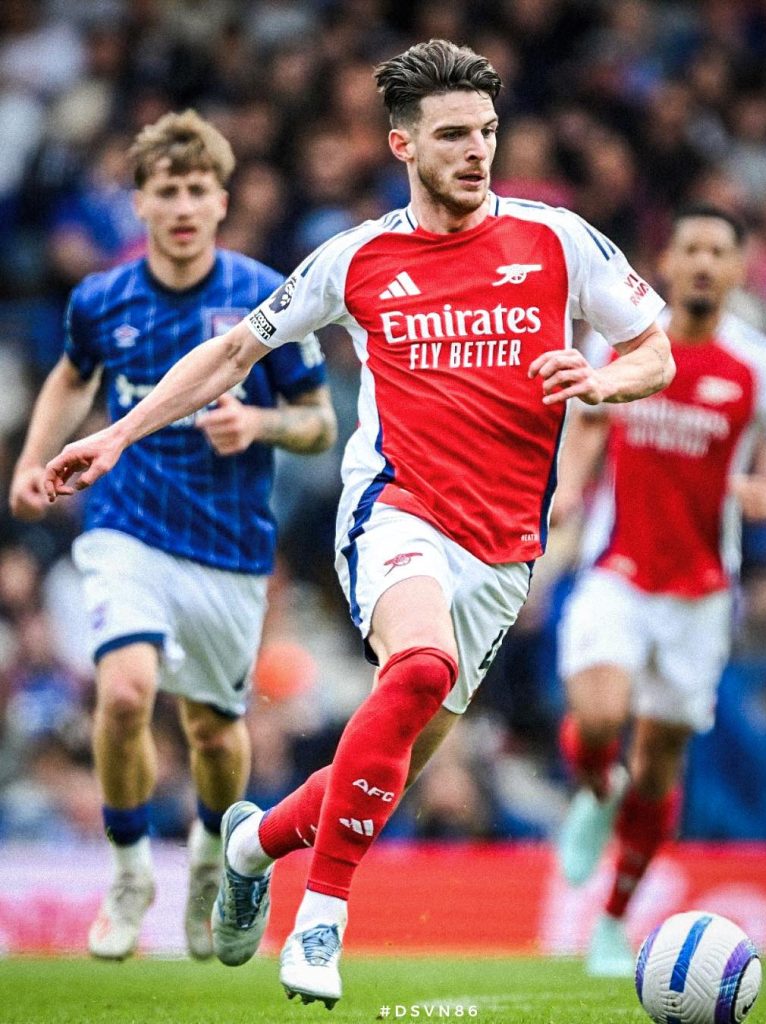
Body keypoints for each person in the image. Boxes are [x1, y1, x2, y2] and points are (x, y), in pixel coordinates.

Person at [43, 41, 675, 1006]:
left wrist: (600, 378)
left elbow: (653, 353)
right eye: (452, 135)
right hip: (396, 510)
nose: (476, 151)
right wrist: (118, 433)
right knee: (416, 670)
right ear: (401, 144)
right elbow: (233, 352)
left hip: (504, 548)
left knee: (381, 767)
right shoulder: (356, 257)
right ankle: (320, 920)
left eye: (486, 132)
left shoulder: (557, 240)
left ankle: (252, 846)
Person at [9, 109, 337, 962]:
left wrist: (258, 423)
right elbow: (70, 377)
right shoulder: (102, 298)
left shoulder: (267, 295)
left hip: (228, 545)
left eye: (198, 190)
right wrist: (34, 459)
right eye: (167, 191)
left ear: (222, 200)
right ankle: (127, 871)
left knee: (214, 732)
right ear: (141, 203)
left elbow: (318, 423)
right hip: (126, 526)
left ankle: (207, 860)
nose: (184, 206)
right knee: (123, 694)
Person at [553, 204, 766, 976]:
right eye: (690, 249)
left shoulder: (761, 366)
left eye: (717, 252)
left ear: (737, 270)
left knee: (659, 760)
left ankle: (612, 922)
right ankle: (593, 792)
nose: (702, 263)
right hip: (616, 568)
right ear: (665, 263)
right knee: (599, 715)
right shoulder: (624, 340)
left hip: (700, 590)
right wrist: (567, 488)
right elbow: (587, 422)